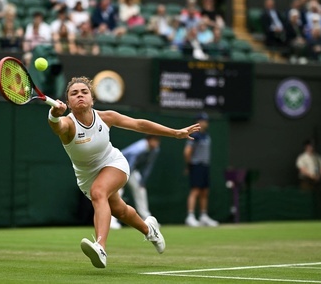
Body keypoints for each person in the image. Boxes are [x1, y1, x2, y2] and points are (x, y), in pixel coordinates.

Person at [47, 76, 201, 268]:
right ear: (68, 102)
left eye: (84, 92)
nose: (80, 96)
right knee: (120, 210)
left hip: (114, 163)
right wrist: (53, 115)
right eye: (74, 93)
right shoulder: (68, 124)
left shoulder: (106, 117)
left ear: (92, 99)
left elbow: (139, 124)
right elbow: (57, 127)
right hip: (86, 176)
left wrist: (175, 132)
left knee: (99, 192)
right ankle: (149, 230)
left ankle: (100, 247)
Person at [110, 135, 161, 230]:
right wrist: (122, 181)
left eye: (157, 141)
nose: (156, 143)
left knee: (141, 190)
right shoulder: (139, 149)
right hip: (119, 166)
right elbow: (129, 164)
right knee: (118, 193)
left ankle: (147, 220)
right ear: (148, 140)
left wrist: (142, 181)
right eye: (154, 140)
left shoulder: (155, 150)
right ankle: (111, 221)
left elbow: (148, 166)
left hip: (131, 170)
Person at [184, 112, 218, 227]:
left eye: (206, 121)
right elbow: (187, 152)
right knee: (195, 191)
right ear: (198, 122)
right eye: (204, 121)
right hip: (196, 165)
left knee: (204, 192)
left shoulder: (206, 135)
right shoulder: (195, 135)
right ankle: (190, 216)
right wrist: (190, 165)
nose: (206, 123)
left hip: (205, 166)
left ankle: (203, 216)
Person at [296, 139, 321, 218]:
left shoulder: (318, 157)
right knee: (306, 197)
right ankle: (304, 216)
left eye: (312, 146)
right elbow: (302, 169)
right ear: (306, 147)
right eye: (309, 146)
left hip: (317, 181)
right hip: (306, 181)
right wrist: (311, 176)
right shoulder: (302, 158)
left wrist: (319, 176)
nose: (311, 148)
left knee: (319, 198)